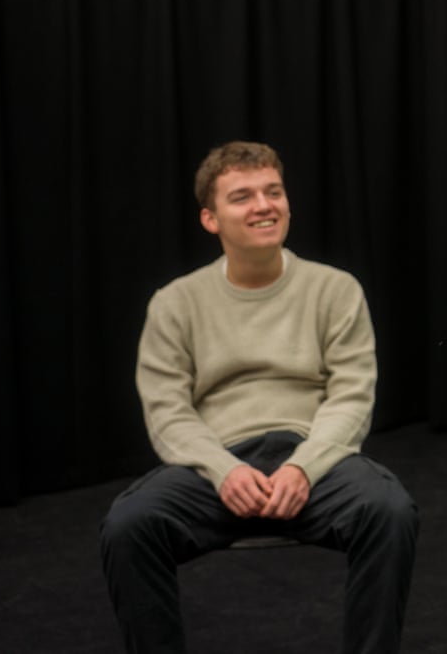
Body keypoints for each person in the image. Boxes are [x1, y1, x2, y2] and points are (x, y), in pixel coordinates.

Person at [99, 141, 419, 654]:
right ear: (211, 218)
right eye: (242, 197)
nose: (264, 205)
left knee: (389, 510)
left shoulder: (334, 289)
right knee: (128, 525)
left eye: (273, 191)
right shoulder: (175, 302)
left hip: (308, 457)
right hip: (217, 464)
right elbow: (167, 409)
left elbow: (350, 397)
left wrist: (302, 468)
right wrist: (223, 470)